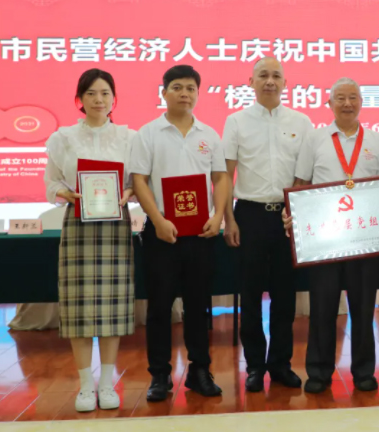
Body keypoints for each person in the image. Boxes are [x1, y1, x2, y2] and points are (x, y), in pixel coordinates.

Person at [282, 78, 379, 394]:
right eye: (340, 98)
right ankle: (319, 372)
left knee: (363, 308)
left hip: (365, 239)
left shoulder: (377, 141)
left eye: (353, 98)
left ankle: (363, 372)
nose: (347, 104)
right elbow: (301, 183)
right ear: (329, 103)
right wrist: (292, 214)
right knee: (322, 307)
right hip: (325, 240)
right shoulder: (315, 139)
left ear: (362, 102)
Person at [129, 65, 231, 401]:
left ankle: (199, 371)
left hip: (200, 235)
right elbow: (139, 180)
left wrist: (218, 216)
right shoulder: (148, 133)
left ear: (198, 94)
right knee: (159, 307)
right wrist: (157, 220)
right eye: (177, 87)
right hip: (161, 235)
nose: (184, 93)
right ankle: (159, 376)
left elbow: (220, 177)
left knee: (198, 306)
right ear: (164, 93)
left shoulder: (209, 135)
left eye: (190, 88)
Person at [44, 68, 136, 412]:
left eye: (105, 93)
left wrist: (127, 194)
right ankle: (85, 386)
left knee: (112, 306)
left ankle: (107, 383)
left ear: (114, 99)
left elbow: (136, 182)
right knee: (78, 307)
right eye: (92, 93)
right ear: (79, 99)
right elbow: (52, 182)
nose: (99, 99)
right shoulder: (63, 137)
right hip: (79, 223)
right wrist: (67, 194)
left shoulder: (129, 137)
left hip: (115, 223)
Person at [222, 57, 312, 392]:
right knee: (250, 294)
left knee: (284, 296)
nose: (270, 81)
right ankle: (255, 366)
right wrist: (228, 218)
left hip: (287, 218)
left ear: (285, 83)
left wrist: (296, 208)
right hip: (249, 216)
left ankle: (280, 364)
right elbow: (226, 173)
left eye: (276, 76)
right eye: (263, 75)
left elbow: (304, 173)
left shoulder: (301, 122)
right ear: (251, 82)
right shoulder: (236, 121)